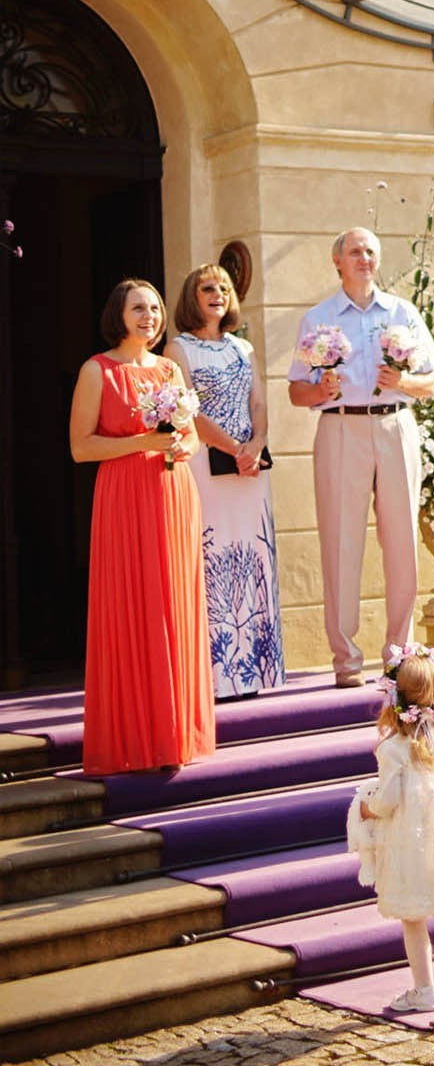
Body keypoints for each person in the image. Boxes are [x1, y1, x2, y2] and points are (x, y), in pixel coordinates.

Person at [68, 278, 216, 776]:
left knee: (174, 605)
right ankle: (135, 736)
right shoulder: (97, 370)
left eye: (154, 308)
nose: (149, 316)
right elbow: (81, 447)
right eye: (138, 308)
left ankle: (176, 733)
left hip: (172, 496)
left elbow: (192, 437)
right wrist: (143, 442)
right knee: (133, 604)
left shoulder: (170, 368)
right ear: (119, 314)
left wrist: (179, 446)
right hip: (124, 498)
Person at [287, 227, 434, 687]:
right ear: (337, 261)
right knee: (340, 541)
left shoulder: (402, 311)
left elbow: (430, 382)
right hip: (339, 428)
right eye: (354, 251)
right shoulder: (317, 318)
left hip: (395, 425)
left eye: (370, 251)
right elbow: (296, 390)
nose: (364, 258)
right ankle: (346, 659)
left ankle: (400, 654)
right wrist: (320, 389)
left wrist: (403, 383)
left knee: (402, 542)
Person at [167, 264, 284, 698]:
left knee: (253, 554)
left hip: (250, 468)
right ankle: (213, 677)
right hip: (208, 466)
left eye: (224, 287)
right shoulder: (178, 349)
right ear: (190, 297)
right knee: (213, 557)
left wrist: (256, 442)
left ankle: (254, 672)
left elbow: (259, 399)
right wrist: (233, 448)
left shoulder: (243, 348)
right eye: (206, 288)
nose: (217, 294)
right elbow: (189, 411)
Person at [347, 643, 434, 1013]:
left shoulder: (393, 749)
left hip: (410, 847)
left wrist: (365, 808)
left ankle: (424, 989)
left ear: (394, 698)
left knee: (413, 917)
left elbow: (388, 799)